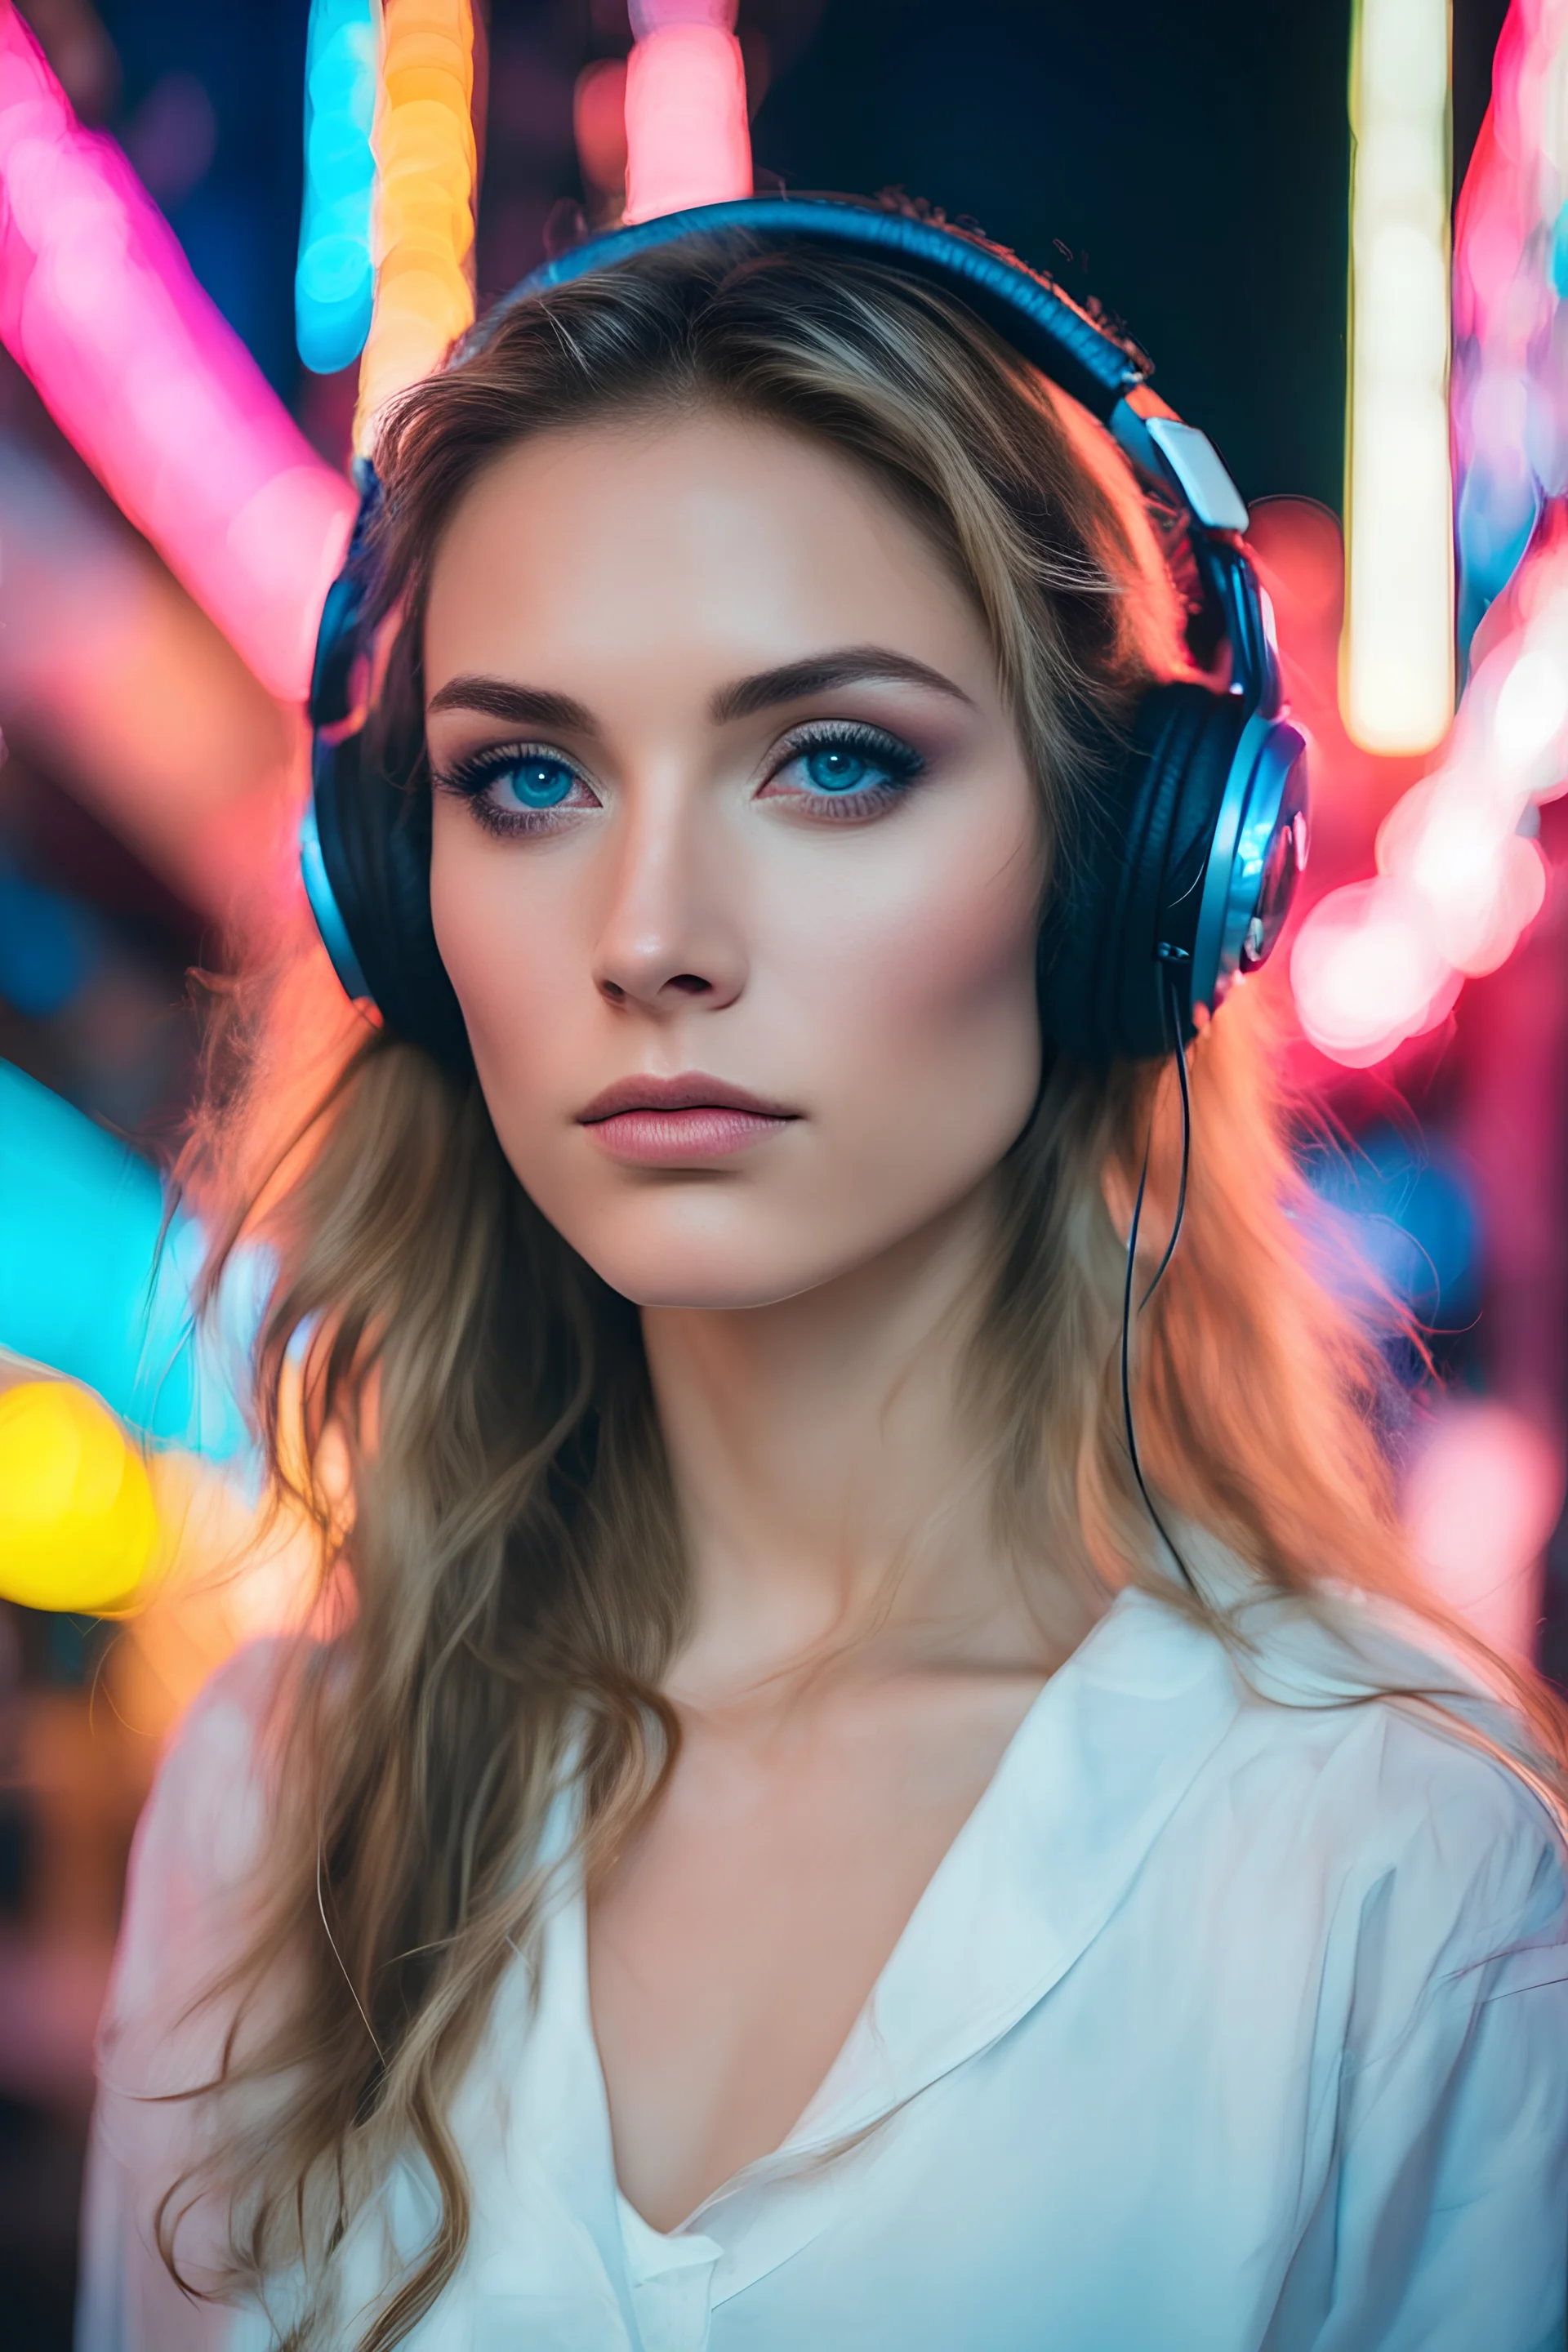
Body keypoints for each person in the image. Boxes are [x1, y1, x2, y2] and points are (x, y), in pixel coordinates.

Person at [78, 204, 1568, 2352]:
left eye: (832, 759)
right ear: (402, 906)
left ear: (1143, 878)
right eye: (528, 777)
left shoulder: (1404, 1870)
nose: (651, 930)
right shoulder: (276, 1793)